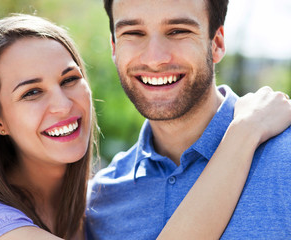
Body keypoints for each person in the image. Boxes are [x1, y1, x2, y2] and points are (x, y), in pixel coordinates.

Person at [0, 13, 289, 240]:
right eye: (32, 92)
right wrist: (243, 133)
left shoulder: (93, 205)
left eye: (69, 79)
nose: (61, 104)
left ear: (217, 42)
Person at [86, 0, 291, 239]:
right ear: (114, 47)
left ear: (217, 43)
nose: (154, 59)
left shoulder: (285, 159)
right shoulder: (100, 202)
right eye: (133, 33)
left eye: (178, 31)